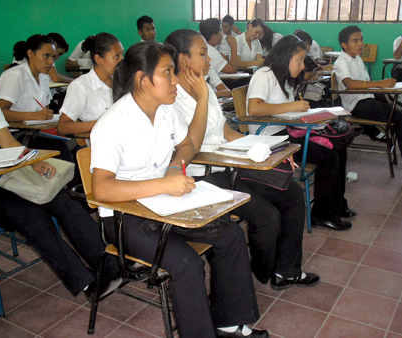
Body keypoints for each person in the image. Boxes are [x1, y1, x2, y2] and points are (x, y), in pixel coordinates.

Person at [90, 41, 268, 338]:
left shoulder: (164, 110)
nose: (175, 81)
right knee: (186, 263)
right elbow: (102, 190)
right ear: (141, 79)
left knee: (231, 235)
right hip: (125, 219)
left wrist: (175, 167)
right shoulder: (113, 124)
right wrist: (164, 183)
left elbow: (186, 145)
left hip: (164, 204)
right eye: (167, 73)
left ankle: (229, 322)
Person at [165, 29, 319, 292]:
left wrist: (267, 150)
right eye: (203, 54)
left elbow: (226, 133)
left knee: (292, 194)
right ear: (182, 60)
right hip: (203, 173)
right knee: (267, 216)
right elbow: (190, 148)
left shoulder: (206, 89)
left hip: (231, 163)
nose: (210, 60)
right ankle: (261, 271)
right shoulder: (171, 98)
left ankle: (287, 271)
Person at [0, 92, 120, 300]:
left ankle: (109, 265)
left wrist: (33, 160)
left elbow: (7, 142)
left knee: (62, 200)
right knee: (30, 215)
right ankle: (86, 284)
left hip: (4, 176)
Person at [246, 35, 354, 231]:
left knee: (339, 148)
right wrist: (292, 106)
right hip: (270, 140)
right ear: (286, 57)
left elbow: (286, 112)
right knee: (328, 158)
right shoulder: (265, 74)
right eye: (300, 60)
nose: (303, 66)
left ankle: (337, 205)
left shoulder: (285, 78)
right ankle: (323, 215)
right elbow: (254, 108)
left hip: (286, 132)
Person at [334, 25, 402, 179]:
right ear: (344, 45)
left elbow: (366, 83)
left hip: (369, 98)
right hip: (357, 105)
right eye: (355, 41)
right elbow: (349, 83)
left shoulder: (357, 58)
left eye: (361, 40)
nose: (361, 44)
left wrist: (384, 86)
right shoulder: (342, 62)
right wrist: (380, 83)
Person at [0, 34, 75, 172]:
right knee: (60, 147)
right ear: (30, 54)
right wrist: (33, 115)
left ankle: (70, 187)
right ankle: (68, 190)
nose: (51, 62)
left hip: (35, 132)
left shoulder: (43, 76)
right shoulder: (15, 76)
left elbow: (44, 109)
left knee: (74, 142)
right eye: (46, 56)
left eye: (53, 57)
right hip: (13, 135)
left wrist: (47, 115)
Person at [57, 33, 123, 137]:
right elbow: (62, 127)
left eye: (121, 55)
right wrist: (101, 123)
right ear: (98, 59)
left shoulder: (121, 83)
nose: (121, 60)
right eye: (116, 56)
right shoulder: (81, 86)